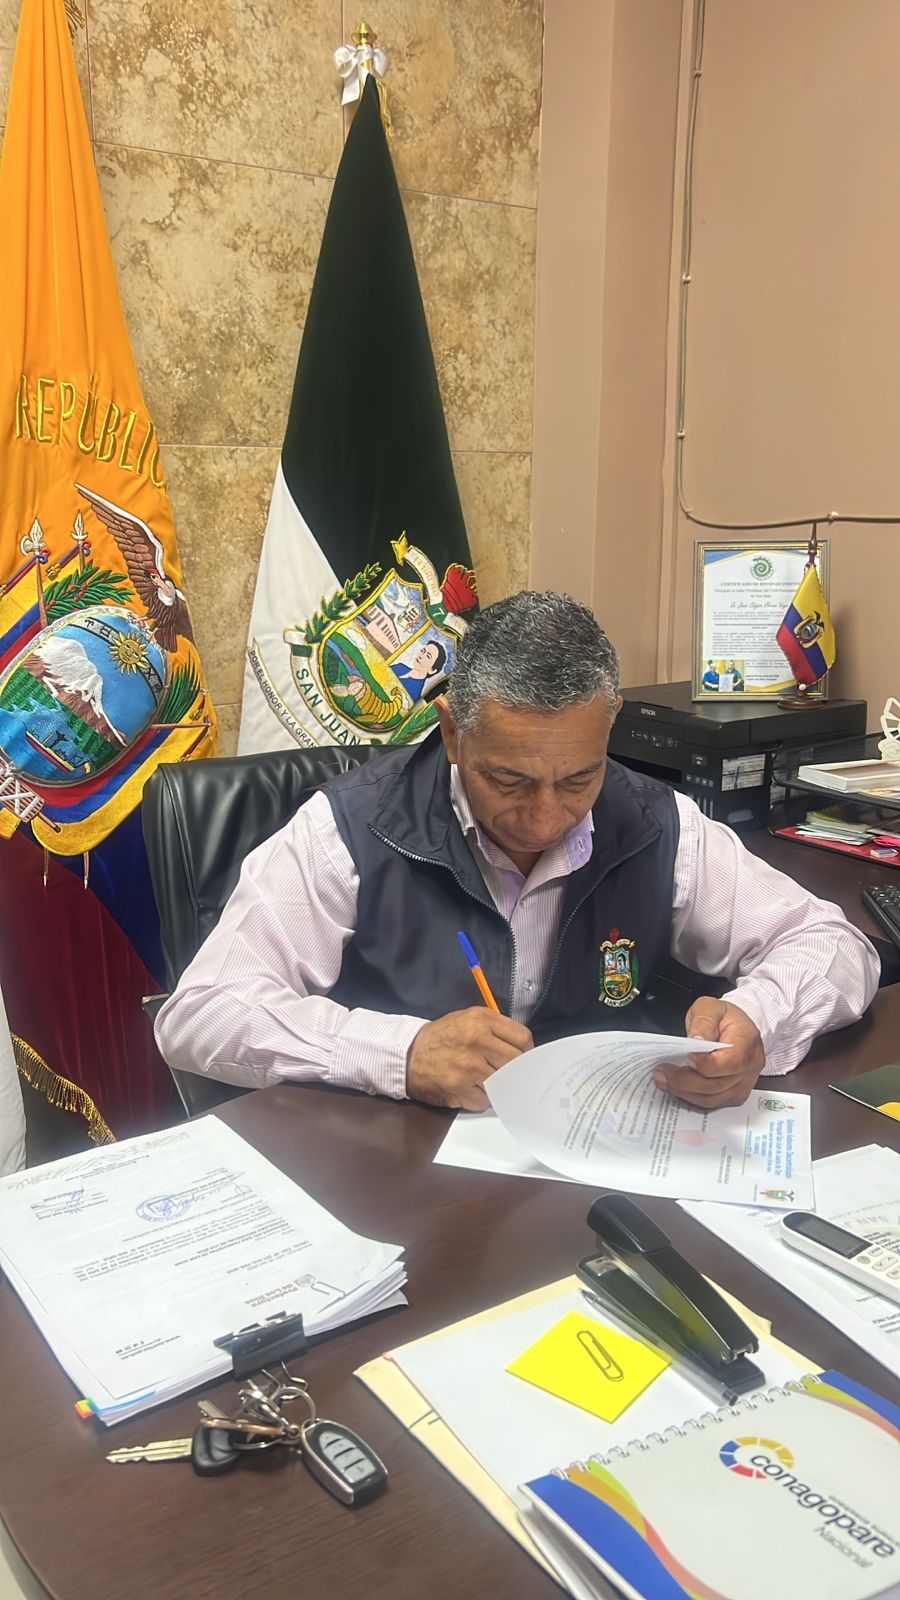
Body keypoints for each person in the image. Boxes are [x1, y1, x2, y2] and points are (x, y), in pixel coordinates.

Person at [155, 592, 879, 1113]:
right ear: (452, 732)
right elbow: (202, 1014)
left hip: (583, 1153)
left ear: (610, 728)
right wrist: (401, 1054)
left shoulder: (655, 822)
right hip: (391, 1164)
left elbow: (834, 943)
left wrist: (758, 1019)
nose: (545, 818)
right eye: (508, 780)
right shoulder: (349, 828)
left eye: (579, 778)